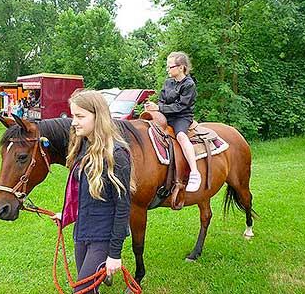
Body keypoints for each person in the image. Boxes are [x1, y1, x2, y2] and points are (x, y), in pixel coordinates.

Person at [51, 90, 133, 293]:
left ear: (98, 117)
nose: (73, 122)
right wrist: (68, 214)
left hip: (103, 237)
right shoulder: (83, 147)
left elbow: (123, 207)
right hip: (82, 232)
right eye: (73, 116)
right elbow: (85, 194)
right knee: (86, 289)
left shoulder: (117, 155)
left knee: (82, 291)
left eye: (80, 116)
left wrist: (115, 254)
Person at [145, 51, 201, 192]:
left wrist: (159, 107)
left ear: (181, 67)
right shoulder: (168, 83)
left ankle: (194, 172)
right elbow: (162, 100)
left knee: (181, 136)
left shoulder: (189, 84)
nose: (167, 69)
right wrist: (154, 108)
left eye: (170, 66)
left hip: (181, 117)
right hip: (166, 115)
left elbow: (181, 106)